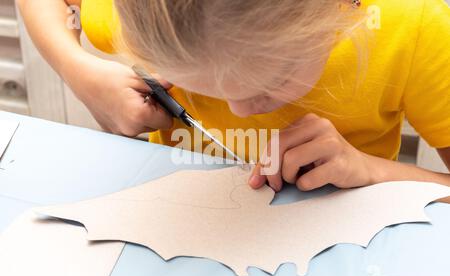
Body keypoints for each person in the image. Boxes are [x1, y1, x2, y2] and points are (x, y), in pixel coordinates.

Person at [17, 0, 450, 193]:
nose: (239, 109)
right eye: (204, 86)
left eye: (272, 82)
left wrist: (372, 171)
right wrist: (78, 70)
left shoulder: (414, 27)